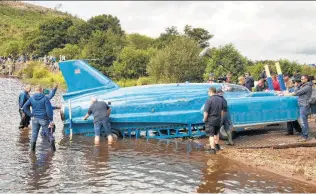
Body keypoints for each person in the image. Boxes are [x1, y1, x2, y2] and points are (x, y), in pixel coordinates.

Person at [23, 85, 55, 152]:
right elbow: (49, 110)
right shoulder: (45, 98)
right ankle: (53, 151)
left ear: (35, 90)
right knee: (49, 134)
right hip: (44, 119)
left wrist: (30, 114)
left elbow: (25, 107)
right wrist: (51, 120)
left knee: (34, 135)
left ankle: (32, 152)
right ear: (41, 90)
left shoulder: (31, 98)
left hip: (35, 119)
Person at [203, 87, 226, 154]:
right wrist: (221, 118)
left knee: (211, 135)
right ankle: (217, 145)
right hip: (218, 119)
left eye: (208, 92)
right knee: (217, 133)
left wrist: (204, 119)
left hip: (211, 120)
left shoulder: (209, 100)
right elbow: (222, 111)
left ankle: (212, 149)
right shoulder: (220, 99)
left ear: (210, 92)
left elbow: (206, 112)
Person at [290, 75, 313, 141]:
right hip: (302, 105)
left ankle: (305, 137)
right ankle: (303, 135)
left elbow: (297, 92)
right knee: (303, 121)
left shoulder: (307, 87)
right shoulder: (304, 86)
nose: (301, 80)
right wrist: (299, 85)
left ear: (306, 79)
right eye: (301, 79)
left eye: (303, 79)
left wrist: (296, 86)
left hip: (304, 106)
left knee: (303, 122)